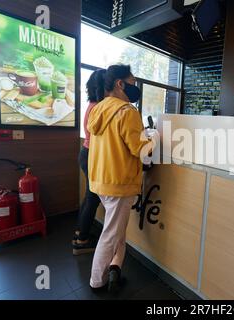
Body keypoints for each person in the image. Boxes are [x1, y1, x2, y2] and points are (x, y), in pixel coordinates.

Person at [87, 64, 155, 293]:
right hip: (119, 183)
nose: (135, 89)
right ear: (120, 84)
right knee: (111, 234)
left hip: (100, 181)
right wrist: (155, 139)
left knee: (116, 230)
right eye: (133, 83)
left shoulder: (98, 109)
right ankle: (97, 280)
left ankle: (115, 270)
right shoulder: (127, 112)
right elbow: (140, 150)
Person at [73, 69, 106, 255]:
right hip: (91, 154)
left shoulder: (92, 104)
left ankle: (79, 233)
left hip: (86, 153)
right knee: (92, 198)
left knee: (89, 196)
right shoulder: (98, 107)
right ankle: (82, 240)